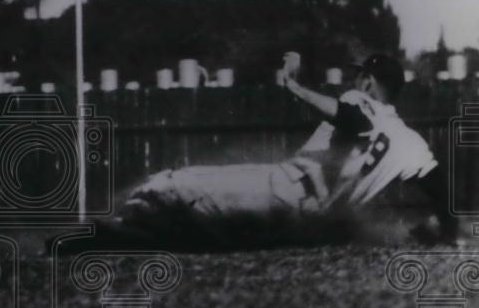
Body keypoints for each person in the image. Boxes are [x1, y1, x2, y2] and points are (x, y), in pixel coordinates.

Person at [97, 53, 458, 249]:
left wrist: (294, 88)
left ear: (370, 82)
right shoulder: (411, 142)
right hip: (311, 223)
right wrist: (445, 229)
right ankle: (120, 236)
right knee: (199, 228)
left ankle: (108, 232)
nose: (353, 80)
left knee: (173, 185)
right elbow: (440, 187)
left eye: (359, 75)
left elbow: (353, 117)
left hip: (287, 191)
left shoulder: (359, 99)